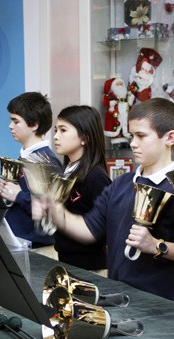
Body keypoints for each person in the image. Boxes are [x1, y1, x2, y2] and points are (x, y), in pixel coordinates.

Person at [43, 98, 174, 307]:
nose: (133, 143)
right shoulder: (121, 184)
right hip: (120, 300)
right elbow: (88, 230)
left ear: (170, 138)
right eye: (131, 136)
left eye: (141, 136)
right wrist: (52, 208)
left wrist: (157, 246)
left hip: (167, 307)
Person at [0, 92, 62, 248]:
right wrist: (5, 193)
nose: (10, 126)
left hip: (35, 247)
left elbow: (50, 210)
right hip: (19, 241)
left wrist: (17, 195)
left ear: (34, 124)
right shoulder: (27, 157)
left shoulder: (45, 161)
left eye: (16, 121)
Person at [51, 105, 111, 271]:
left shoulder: (96, 178)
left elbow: (105, 229)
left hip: (90, 268)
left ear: (84, 137)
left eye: (63, 130)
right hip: (67, 262)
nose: (56, 137)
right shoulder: (66, 172)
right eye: (56, 130)